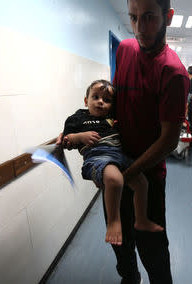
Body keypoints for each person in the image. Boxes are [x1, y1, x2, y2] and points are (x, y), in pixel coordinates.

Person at [69, 0, 187, 283]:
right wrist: (78, 133)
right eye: (133, 17)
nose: (140, 28)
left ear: (168, 17)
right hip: (117, 160)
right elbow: (112, 106)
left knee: (153, 250)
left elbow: (169, 140)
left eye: (149, 17)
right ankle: (129, 279)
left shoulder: (173, 73)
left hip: (147, 174)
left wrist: (130, 173)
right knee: (120, 243)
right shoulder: (124, 50)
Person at [61, 80, 163, 246]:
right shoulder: (78, 118)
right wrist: (80, 137)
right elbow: (66, 141)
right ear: (86, 100)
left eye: (107, 100)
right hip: (97, 156)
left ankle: (141, 219)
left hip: (119, 155)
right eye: (96, 97)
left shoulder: (111, 117)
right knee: (115, 180)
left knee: (142, 183)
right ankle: (114, 222)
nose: (101, 101)